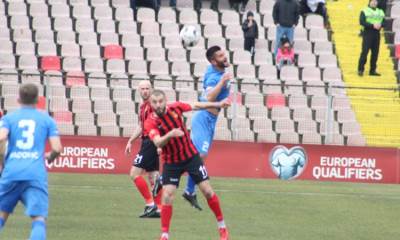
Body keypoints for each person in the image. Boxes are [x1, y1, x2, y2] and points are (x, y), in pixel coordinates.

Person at [143, 89, 230, 240]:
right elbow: (157, 141)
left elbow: (196, 105)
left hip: (191, 157)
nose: (158, 105)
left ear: (165, 100)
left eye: (160, 101)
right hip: (171, 162)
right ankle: (164, 235)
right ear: (151, 104)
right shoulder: (150, 121)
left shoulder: (175, 107)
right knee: (167, 196)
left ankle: (222, 228)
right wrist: (170, 134)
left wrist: (218, 103)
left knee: (208, 192)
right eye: (155, 102)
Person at [0, 83, 63, 240]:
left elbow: (1, 138)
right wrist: (50, 157)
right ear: (38, 100)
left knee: (1, 215)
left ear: (18, 99)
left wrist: (3, 160)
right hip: (35, 173)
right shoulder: (46, 120)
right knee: (38, 220)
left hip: (12, 171)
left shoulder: (9, 118)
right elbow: (57, 147)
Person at [182, 46, 231, 211]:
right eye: (220, 56)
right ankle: (169, 181)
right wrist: (222, 82)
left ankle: (189, 190)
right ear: (213, 61)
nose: (224, 57)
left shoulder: (217, 70)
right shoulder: (213, 77)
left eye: (223, 54)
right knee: (199, 155)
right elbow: (210, 96)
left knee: (200, 157)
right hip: (203, 118)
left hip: (211, 121)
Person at [125, 80, 162, 218]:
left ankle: (150, 204)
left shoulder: (154, 105)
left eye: (147, 88)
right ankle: (158, 209)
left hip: (151, 142)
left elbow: (162, 123)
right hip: (146, 141)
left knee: (134, 173)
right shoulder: (142, 107)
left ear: (151, 90)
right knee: (153, 176)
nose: (145, 91)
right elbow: (141, 126)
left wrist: (160, 145)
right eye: (143, 89)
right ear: (139, 91)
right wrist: (130, 141)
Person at [357, 0, 385, 77]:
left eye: (376, 1)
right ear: (369, 2)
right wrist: (372, 25)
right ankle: (360, 69)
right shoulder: (364, 11)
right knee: (365, 51)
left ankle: (372, 70)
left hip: (377, 33)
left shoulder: (381, 11)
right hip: (367, 32)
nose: (374, 3)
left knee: (375, 53)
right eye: (373, 1)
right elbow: (362, 22)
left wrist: (381, 25)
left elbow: (384, 22)